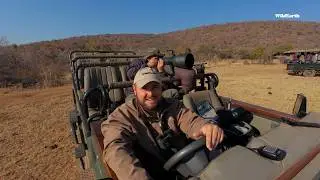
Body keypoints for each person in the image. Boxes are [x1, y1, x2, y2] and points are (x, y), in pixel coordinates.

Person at [101, 67, 224, 180]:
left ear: (161, 87)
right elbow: (115, 149)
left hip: (183, 166)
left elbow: (190, 120)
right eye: (144, 88)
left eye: (154, 87)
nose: (150, 94)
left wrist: (205, 127)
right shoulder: (122, 116)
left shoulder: (173, 105)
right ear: (134, 89)